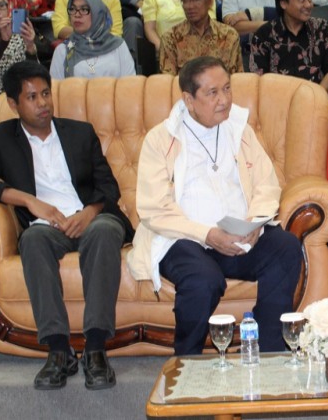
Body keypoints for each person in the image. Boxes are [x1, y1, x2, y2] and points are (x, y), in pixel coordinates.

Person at [0, 60, 131, 389]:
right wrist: (27, 200)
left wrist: (90, 211)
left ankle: (96, 349)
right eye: (31, 97)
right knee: (33, 240)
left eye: (45, 94)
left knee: (104, 231)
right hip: (45, 225)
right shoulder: (1, 137)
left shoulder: (79, 132)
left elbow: (109, 187)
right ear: (13, 104)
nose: (42, 104)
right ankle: (58, 351)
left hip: (89, 218)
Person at [127, 56, 302, 356]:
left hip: (238, 237)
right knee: (203, 280)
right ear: (188, 99)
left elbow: (267, 183)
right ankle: (187, 362)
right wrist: (206, 234)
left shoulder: (239, 129)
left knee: (285, 247)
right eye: (212, 93)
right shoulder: (161, 139)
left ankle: (269, 351)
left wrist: (255, 222)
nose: (224, 100)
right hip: (183, 240)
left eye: (227, 89)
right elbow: (154, 209)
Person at [249, 0, 328, 96]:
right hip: (280, 105)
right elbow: (259, 79)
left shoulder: (323, 28)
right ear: (283, 3)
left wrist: (316, 97)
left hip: (319, 100)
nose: (308, 5)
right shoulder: (263, 35)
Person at [159, 0, 242, 75]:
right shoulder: (171, 38)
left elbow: (236, 80)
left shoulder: (228, 35)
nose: (189, 6)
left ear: (210, 2)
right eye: (185, 0)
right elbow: (168, 84)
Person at [50, 0, 135, 80]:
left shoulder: (118, 46)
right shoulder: (63, 50)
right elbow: (55, 91)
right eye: (72, 9)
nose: (77, 15)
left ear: (97, 13)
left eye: (84, 9)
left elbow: (130, 85)